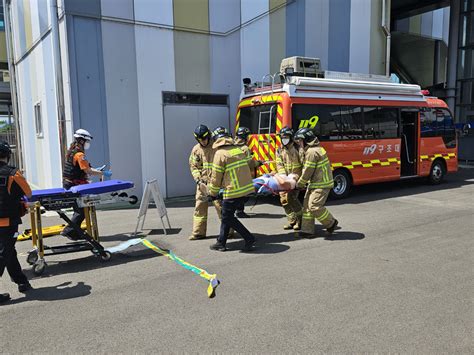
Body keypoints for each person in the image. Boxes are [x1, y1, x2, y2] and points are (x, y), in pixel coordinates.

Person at [208, 126, 256, 252]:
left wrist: (212, 193)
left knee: (227, 217)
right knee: (226, 215)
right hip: (246, 190)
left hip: (234, 191)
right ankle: (221, 242)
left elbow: (216, 176)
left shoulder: (220, 153)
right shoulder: (237, 149)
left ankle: (249, 238)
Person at [61, 129, 111, 240]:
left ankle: (74, 232)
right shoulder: (79, 154)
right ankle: (69, 231)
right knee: (81, 211)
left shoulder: (72, 151)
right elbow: (87, 171)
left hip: (69, 183)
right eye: (87, 141)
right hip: (73, 185)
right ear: (82, 141)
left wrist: (96, 170)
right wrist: (103, 173)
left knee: (79, 210)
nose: (88, 144)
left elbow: (85, 168)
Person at [0, 141, 32, 304]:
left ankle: (22, 282)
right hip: (6, 222)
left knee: (9, 252)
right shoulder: (13, 173)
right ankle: (21, 282)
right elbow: (28, 192)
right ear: (7, 155)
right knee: (3, 254)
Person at [294, 128, 338, 237]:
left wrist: (299, 184)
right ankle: (307, 230)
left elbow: (308, 170)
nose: (299, 143)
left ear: (306, 140)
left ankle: (331, 223)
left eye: (300, 141)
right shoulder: (314, 149)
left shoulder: (312, 152)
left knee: (314, 206)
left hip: (322, 183)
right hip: (316, 182)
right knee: (307, 207)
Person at [188, 124, 222, 240]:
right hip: (202, 184)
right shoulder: (196, 149)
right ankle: (198, 233)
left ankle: (228, 232)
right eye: (200, 140)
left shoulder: (217, 146)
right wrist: (198, 180)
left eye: (205, 139)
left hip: (216, 183)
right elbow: (194, 166)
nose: (203, 142)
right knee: (199, 208)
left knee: (221, 208)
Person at [275, 126, 303, 230]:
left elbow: (303, 164)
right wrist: (283, 177)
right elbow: (279, 164)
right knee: (283, 200)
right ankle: (292, 220)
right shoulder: (279, 149)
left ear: (291, 137)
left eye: (286, 137)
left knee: (292, 199)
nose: (283, 139)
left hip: (296, 179)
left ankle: (300, 220)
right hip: (284, 179)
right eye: (282, 137)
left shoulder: (298, 148)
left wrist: (299, 178)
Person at [233, 126, 263, 218]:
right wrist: (258, 163)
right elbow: (250, 163)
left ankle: (237, 210)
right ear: (245, 137)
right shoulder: (245, 148)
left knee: (237, 193)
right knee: (245, 194)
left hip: (233, 174)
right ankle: (239, 211)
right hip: (243, 174)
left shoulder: (232, 146)